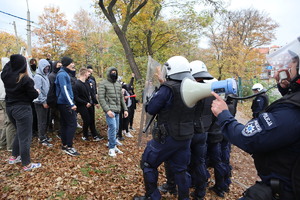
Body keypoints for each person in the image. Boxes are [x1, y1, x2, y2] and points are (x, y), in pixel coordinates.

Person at [210, 38, 300, 200]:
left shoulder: (292, 111)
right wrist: (287, 89)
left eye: (292, 64)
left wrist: (224, 115)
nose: (288, 68)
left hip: (284, 191)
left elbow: (248, 138)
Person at [134, 56, 195, 200]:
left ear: (170, 69)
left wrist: (152, 96)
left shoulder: (168, 88)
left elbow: (152, 108)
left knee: (148, 163)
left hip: (167, 137)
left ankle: (152, 197)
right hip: (185, 136)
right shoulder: (193, 87)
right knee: (181, 170)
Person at [1, 54, 41, 171]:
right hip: (22, 109)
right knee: (25, 137)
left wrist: (15, 57)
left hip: (10, 108)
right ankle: (27, 164)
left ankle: (14, 156)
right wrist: (37, 91)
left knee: (19, 132)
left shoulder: (6, 75)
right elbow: (33, 95)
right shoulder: (25, 79)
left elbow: (8, 65)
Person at [98, 67, 128, 157]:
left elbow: (121, 98)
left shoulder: (118, 84)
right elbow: (101, 98)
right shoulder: (103, 83)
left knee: (117, 129)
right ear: (109, 73)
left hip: (118, 110)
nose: (114, 74)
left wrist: (125, 109)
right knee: (113, 127)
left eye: (115, 72)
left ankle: (113, 145)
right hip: (110, 110)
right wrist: (107, 110)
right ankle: (111, 148)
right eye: (112, 72)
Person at [55, 56, 80, 156]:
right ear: (67, 64)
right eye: (71, 63)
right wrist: (71, 104)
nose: (73, 65)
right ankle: (69, 146)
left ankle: (65, 145)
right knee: (72, 124)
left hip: (64, 103)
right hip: (65, 104)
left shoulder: (64, 73)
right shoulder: (62, 75)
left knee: (65, 124)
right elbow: (64, 90)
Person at [74, 67, 102, 141]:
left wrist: (95, 102)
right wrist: (85, 103)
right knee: (86, 120)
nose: (89, 74)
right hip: (82, 105)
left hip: (90, 105)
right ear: (84, 74)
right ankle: (85, 135)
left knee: (92, 120)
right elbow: (76, 97)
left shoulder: (87, 83)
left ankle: (94, 135)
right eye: (88, 72)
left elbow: (91, 94)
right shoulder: (77, 84)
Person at [33, 59, 52, 147]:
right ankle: (41, 138)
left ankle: (44, 135)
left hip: (46, 101)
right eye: (45, 67)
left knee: (46, 120)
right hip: (40, 102)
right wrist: (43, 101)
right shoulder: (38, 77)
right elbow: (38, 91)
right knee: (42, 121)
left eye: (48, 67)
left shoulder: (45, 76)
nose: (47, 69)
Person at [0, 57, 16, 151]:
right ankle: (10, 146)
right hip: (6, 99)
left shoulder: (2, 74)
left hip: (2, 99)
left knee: (6, 122)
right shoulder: (8, 74)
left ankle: (2, 143)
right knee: (10, 122)